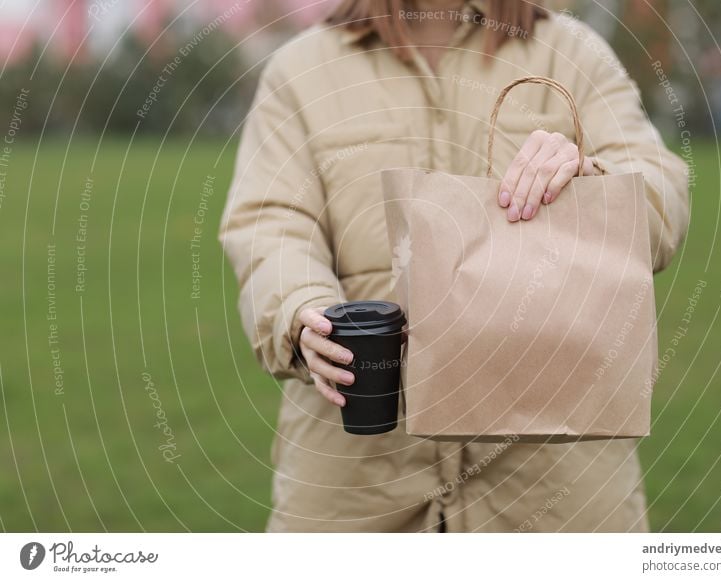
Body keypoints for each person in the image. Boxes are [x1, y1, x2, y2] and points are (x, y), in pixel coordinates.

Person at [219, 0, 689, 532]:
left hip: (558, 494)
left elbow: (660, 191)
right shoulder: (302, 70)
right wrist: (302, 310)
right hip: (351, 488)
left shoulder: (572, 53)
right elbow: (271, 221)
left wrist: (595, 181)